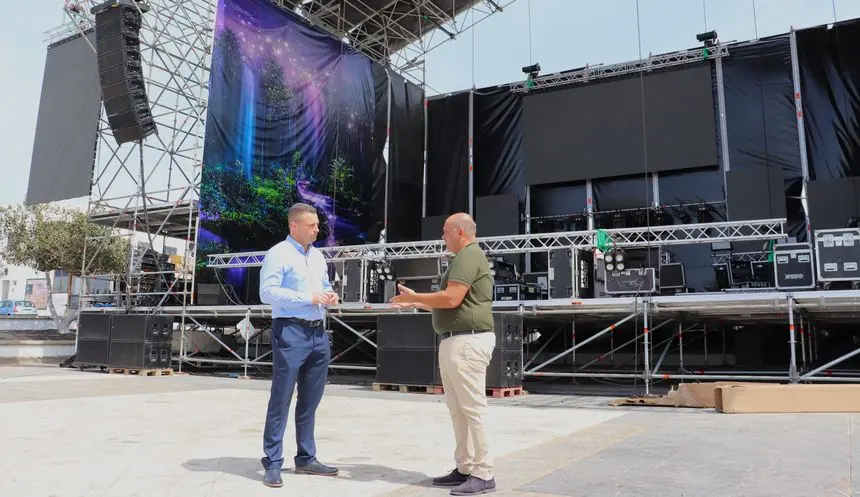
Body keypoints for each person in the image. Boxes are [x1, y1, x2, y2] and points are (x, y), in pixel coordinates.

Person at [390, 212, 497, 496]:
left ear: (460, 232)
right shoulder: (466, 257)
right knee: (459, 409)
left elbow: (451, 298)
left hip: (466, 342)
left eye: (446, 232)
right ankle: (465, 467)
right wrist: (415, 301)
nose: (443, 237)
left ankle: (484, 472)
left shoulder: (467, 256)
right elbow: (450, 305)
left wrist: (415, 298)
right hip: (457, 341)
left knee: (471, 409)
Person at [258, 202, 340, 488]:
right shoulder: (277, 254)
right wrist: (309, 298)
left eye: (317, 224)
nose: (317, 229)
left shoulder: (318, 256)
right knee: (281, 398)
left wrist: (330, 296)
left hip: (318, 333)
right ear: (294, 226)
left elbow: (325, 286)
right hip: (290, 330)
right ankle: (272, 462)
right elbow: (267, 293)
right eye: (311, 225)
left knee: (310, 400)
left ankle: (306, 458)